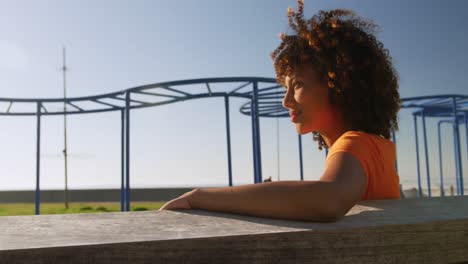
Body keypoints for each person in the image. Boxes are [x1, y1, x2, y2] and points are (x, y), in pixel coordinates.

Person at [159, 0, 401, 222]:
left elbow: (327, 200)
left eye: (297, 85)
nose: (286, 101)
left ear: (338, 84)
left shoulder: (354, 144)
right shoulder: (376, 148)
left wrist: (199, 197)